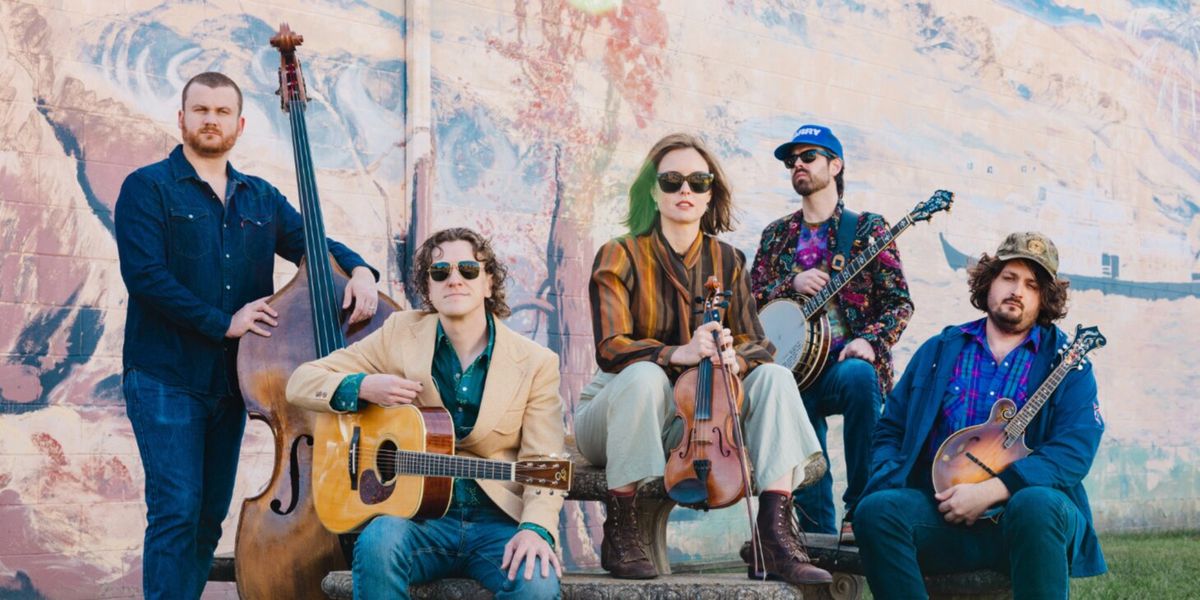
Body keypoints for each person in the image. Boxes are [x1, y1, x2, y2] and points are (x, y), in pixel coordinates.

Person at [113, 72, 379, 599]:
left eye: (220, 112)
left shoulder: (260, 198)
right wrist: (223, 321)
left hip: (233, 383)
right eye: (200, 110)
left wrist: (361, 269)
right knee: (176, 510)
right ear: (182, 118)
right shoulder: (147, 187)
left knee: (208, 516)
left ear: (239, 124)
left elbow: (313, 242)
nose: (210, 120)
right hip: (166, 377)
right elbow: (145, 277)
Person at [575, 132, 831, 585]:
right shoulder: (620, 253)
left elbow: (760, 344)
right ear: (652, 191)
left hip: (698, 415)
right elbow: (611, 347)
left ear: (711, 192)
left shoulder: (728, 259)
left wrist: (736, 359)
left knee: (773, 378)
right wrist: (679, 352)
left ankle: (772, 534)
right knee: (645, 376)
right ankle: (622, 527)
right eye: (671, 181)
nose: (685, 191)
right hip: (619, 413)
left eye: (697, 180)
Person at [286, 228, 564, 600]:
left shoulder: (536, 362)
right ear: (428, 289)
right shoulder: (400, 333)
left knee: (538, 582)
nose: (454, 279)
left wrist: (535, 528)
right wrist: (364, 387)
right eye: (440, 272)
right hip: (420, 520)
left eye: (468, 270)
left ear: (488, 282)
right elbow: (301, 382)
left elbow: (545, 460)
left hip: (497, 522)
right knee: (378, 541)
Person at [854, 232, 1106, 598]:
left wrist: (993, 490)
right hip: (943, 516)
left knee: (1036, 504)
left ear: (1044, 298)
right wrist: (891, 477)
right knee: (876, 511)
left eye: (1032, 285)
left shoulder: (1066, 363)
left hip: (1024, 525)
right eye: (1009, 277)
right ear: (989, 281)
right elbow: (890, 429)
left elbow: (1075, 449)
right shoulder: (940, 350)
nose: (1017, 290)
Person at [749, 124, 914, 541]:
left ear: (835, 165)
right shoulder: (776, 235)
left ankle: (860, 510)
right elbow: (749, 301)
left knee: (860, 378)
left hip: (845, 361)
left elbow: (899, 303)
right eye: (792, 161)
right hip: (791, 366)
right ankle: (816, 531)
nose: (798, 165)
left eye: (808, 157)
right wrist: (791, 283)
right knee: (788, 406)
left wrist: (870, 342)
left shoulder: (868, 229)